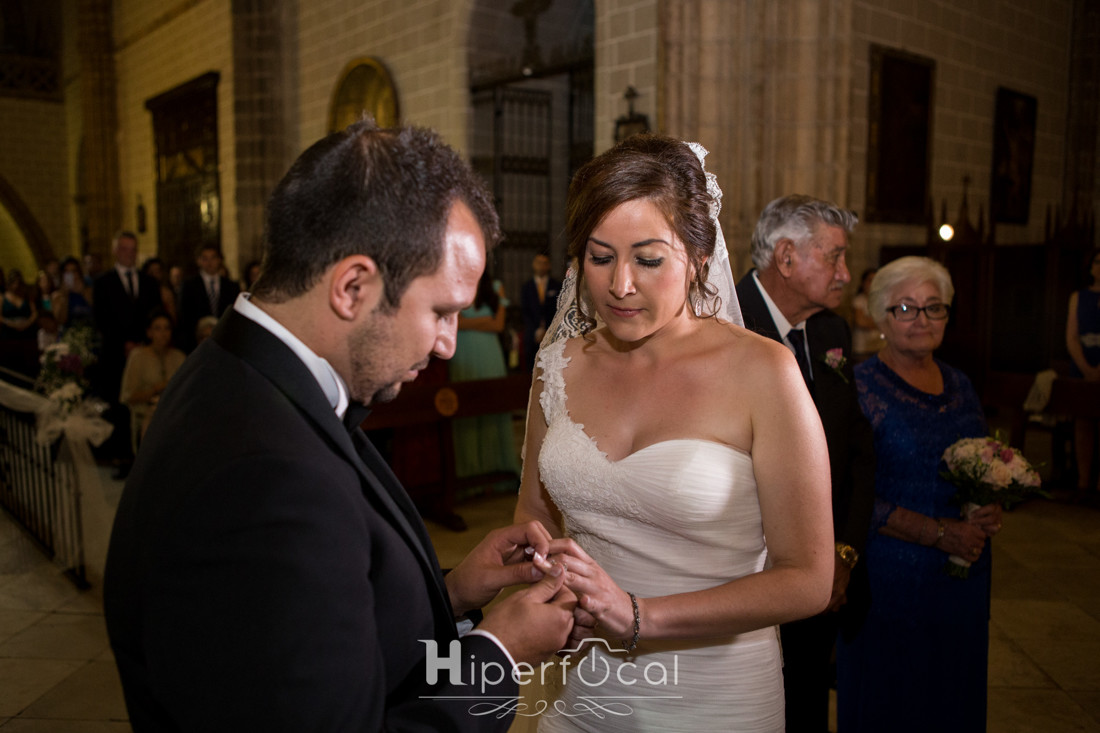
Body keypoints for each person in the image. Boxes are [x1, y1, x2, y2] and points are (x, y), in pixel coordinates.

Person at [103, 120, 576, 732]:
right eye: (440, 311)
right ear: (353, 286)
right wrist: (499, 654)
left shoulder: (246, 369)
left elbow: (315, 613)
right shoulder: (265, 479)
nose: (446, 345)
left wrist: (453, 592)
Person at [513, 135, 833, 732]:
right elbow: (532, 512)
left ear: (699, 256)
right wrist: (546, 586)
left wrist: (639, 616)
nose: (620, 285)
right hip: (584, 690)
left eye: (649, 259)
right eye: (600, 256)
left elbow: (808, 579)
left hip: (716, 692)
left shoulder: (764, 372)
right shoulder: (556, 366)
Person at [836, 256, 1003, 733]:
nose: (922, 320)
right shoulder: (861, 388)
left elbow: (984, 462)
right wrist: (937, 533)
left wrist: (987, 506)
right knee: (890, 705)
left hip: (962, 578)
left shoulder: (962, 385)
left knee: (954, 699)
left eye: (935, 308)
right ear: (878, 316)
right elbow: (848, 495)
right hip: (890, 583)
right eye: (906, 309)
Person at [735, 194, 876, 733]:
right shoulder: (727, 324)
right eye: (834, 257)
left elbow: (856, 448)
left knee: (810, 704)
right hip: (752, 571)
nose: (845, 273)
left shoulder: (831, 332)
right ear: (786, 258)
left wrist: (843, 552)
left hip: (829, 572)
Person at [92, 231, 164, 477]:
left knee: (146, 404)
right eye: (124, 249)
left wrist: (144, 343)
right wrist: (124, 343)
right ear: (115, 251)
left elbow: (155, 314)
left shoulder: (148, 282)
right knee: (121, 406)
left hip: (145, 351)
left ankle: (147, 459)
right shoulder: (103, 282)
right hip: (116, 354)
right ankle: (123, 459)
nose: (129, 254)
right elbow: (101, 318)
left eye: (133, 249)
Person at [450, 269, 521, 490]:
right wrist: (484, 321)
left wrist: (472, 322)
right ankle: (468, 475)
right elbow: (456, 323)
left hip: (490, 355)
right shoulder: (456, 283)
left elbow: (498, 325)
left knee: (494, 410)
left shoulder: (496, 286)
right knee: (464, 414)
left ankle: (498, 471)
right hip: (462, 354)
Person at [119, 310, 186, 454]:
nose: (163, 333)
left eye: (167, 328)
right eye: (158, 328)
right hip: (146, 413)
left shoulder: (179, 357)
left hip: (174, 413)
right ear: (149, 332)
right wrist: (156, 389)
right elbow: (128, 395)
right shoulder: (138, 357)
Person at [1066, 247, 1100, 503]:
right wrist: (1087, 369)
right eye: (1097, 261)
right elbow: (1072, 337)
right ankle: (1083, 481)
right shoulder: (1079, 297)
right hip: (1083, 366)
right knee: (1083, 423)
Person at [177, 244, 241, 352]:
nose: (209, 263)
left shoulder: (231, 286)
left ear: (219, 260)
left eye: (213, 258)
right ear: (198, 261)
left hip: (225, 343)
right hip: (196, 344)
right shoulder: (189, 286)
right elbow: (184, 317)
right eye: (205, 258)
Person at [520, 252, 561, 371]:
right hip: (532, 335)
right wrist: (535, 330)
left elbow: (558, 311)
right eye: (539, 263)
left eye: (545, 263)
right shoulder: (526, 287)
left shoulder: (557, 286)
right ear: (534, 264)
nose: (541, 266)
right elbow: (525, 311)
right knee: (531, 368)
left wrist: (547, 331)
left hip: (552, 334)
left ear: (549, 266)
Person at [850, 267, 882, 361]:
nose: (872, 284)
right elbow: (860, 321)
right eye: (870, 280)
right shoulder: (859, 300)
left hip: (878, 346)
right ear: (863, 283)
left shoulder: (881, 301)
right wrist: (878, 323)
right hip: (862, 348)